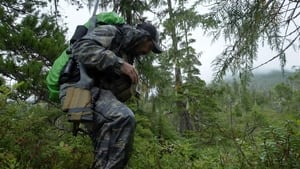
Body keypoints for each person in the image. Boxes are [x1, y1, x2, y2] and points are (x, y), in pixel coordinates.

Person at [59, 21, 163, 169]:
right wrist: (119, 64)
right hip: (78, 90)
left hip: (93, 94)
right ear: (144, 38)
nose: (147, 52)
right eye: (150, 47)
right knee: (123, 117)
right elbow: (81, 48)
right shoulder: (111, 32)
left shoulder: (126, 51)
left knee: (107, 146)